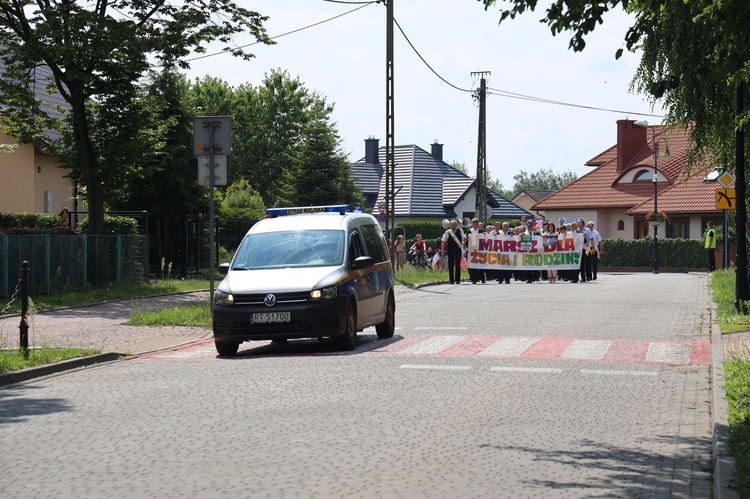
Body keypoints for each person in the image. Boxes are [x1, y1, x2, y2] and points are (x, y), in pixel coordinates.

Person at [441, 219, 465, 284]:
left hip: (458, 249)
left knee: (457, 264)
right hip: (450, 250)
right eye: (452, 225)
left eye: (454, 225)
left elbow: (464, 239)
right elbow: (443, 242)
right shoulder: (448, 232)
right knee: (450, 264)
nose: (453, 226)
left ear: (457, 225)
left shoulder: (460, 231)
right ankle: (451, 280)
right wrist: (442, 251)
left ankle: (457, 280)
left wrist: (465, 241)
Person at [464, 218, 485, 283]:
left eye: (476, 222)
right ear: (472, 223)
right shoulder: (469, 231)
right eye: (474, 222)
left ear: (478, 223)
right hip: (471, 250)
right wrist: (466, 246)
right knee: (471, 265)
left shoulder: (482, 231)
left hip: (480, 250)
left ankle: (481, 278)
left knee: (481, 264)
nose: (475, 223)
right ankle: (473, 278)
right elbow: (466, 241)